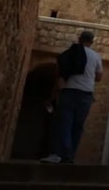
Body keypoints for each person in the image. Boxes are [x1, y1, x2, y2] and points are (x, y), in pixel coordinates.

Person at [41, 31, 103, 164]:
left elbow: (60, 75)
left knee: (64, 123)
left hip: (69, 91)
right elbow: (99, 77)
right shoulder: (96, 56)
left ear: (79, 39)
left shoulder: (71, 52)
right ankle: (69, 155)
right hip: (86, 95)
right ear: (92, 42)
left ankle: (59, 153)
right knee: (77, 126)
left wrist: (53, 95)